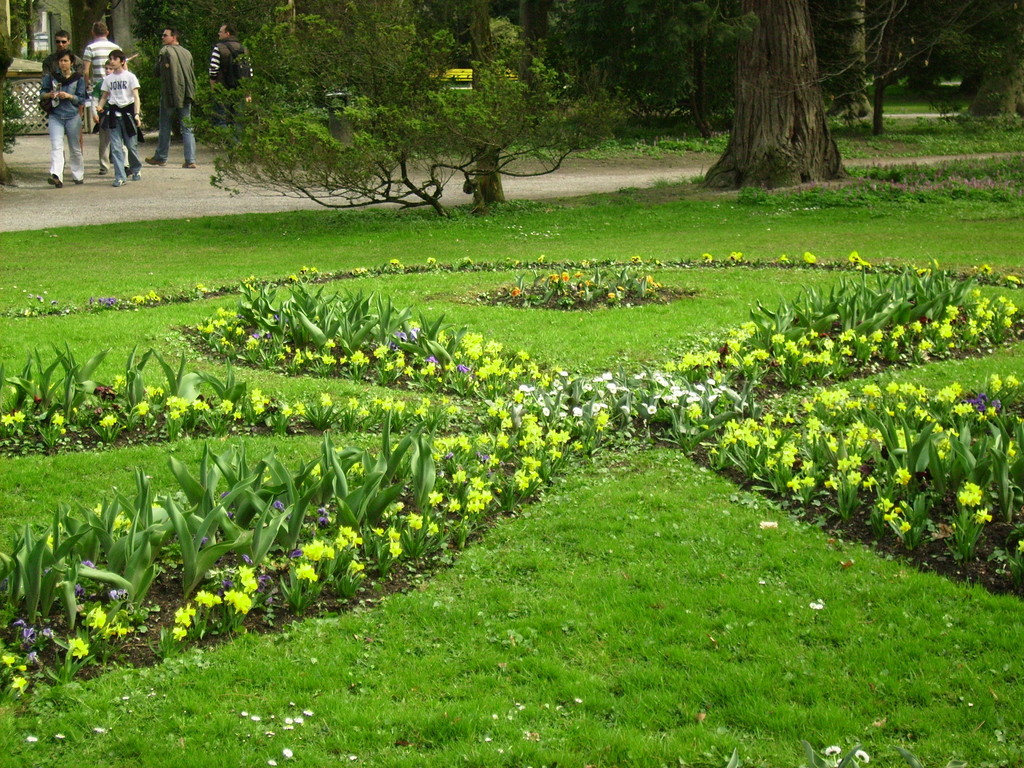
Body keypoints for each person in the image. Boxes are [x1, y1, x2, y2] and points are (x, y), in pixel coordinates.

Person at [146, 28, 197, 169]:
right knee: (187, 127)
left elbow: (157, 71)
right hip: (186, 93)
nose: (162, 37)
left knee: (165, 126)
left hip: (169, 94)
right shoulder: (187, 52)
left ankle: (161, 157)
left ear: (174, 37)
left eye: (165, 35)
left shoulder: (165, 51)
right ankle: (190, 159)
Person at [40, 49, 87, 187]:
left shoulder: (78, 78)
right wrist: (50, 95)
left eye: (66, 61)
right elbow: (42, 94)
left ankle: (78, 175)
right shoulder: (51, 77)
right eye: (60, 61)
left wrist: (69, 96)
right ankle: (56, 175)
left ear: (71, 62)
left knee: (75, 147)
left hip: (72, 116)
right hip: (56, 115)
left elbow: (81, 99)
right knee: (56, 146)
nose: (63, 63)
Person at [97, 50, 143, 187]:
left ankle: (136, 169)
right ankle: (119, 176)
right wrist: (100, 107)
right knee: (116, 147)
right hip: (113, 114)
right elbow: (105, 96)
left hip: (128, 113)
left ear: (122, 61)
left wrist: (137, 114)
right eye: (110, 58)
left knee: (131, 145)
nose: (112, 61)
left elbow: (136, 97)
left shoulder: (130, 77)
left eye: (115, 58)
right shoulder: (108, 79)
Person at [82, 21, 120, 175]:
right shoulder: (116, 48)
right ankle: (117, 160)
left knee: (103, 129)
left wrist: (87, 85)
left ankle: (104, 164)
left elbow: (86, 70)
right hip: (117, 91)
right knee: (117, 129)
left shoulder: (90, 48)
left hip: (99, 86)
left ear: (93, 32)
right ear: (108, 32)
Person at [208, 23, 248, 127]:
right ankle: (237, 142)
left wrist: (213, 87)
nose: (218, 34)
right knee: (238, 119)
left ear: (227, 33)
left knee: (221, 118)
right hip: (240, 88)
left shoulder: (219, 48)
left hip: (222, 87)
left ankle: (225, 142)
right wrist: (248, 91)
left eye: (221, 32)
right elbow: (248, 71)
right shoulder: (243, 48)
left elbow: (213, 69)